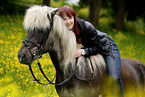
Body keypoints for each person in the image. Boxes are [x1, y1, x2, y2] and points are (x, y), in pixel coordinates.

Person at [58, 5, 124, 97]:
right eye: (64, 19)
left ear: (74, 17)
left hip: (106, 48)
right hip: (90, 48)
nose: (68, 22)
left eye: (70, 18)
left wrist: (83, 52)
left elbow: (98, 47)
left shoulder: (87, 26)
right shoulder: (64, 30)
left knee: (114, 77)